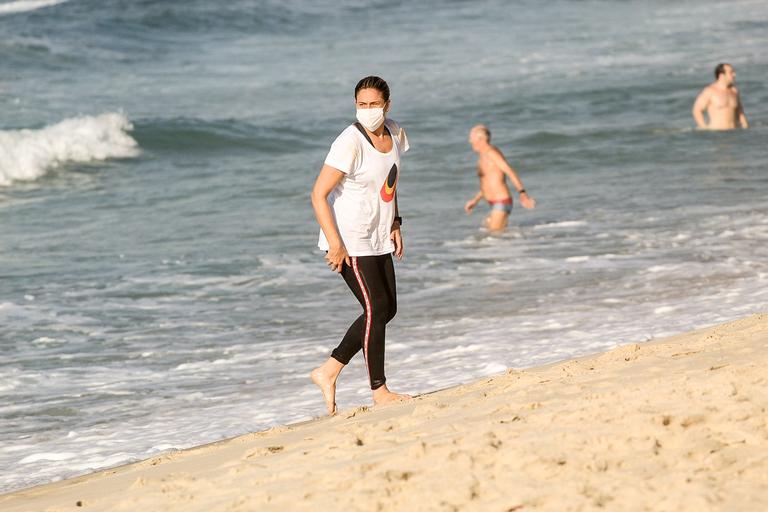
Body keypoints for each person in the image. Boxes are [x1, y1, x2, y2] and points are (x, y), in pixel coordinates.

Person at [309, 76, 411, 415]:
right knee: (377, 308)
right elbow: (318, 195)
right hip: (349, 240)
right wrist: (335, 244)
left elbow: (390, 180)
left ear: (387, 105)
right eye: (361, 104)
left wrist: (396, 221)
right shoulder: (349, 142)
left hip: (378, 235)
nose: (368, 110)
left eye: (374, 104)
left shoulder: (395, 133)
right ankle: (379, 390)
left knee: (386, 309)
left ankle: (328, 371)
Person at [464, 125, 535, 231]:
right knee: (487, 231)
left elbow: (510, 172)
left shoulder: (491, 153)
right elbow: (488, 183)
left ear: (480, 139)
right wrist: (475, 200)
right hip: (494, 203)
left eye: (471, 138)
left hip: (501, 202)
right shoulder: (483, 155)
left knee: (493, 236)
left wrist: (522, 193)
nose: (469, 141)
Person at [692, 63, 749, 130]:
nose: (734, 75)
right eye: (731, 72)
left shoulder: (734, 91)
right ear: (721, 75)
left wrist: (746, 127)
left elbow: (740, 111)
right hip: (717, 134)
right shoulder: (710, 91)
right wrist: (704, 127)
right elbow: (696, 110)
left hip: (734, 132)